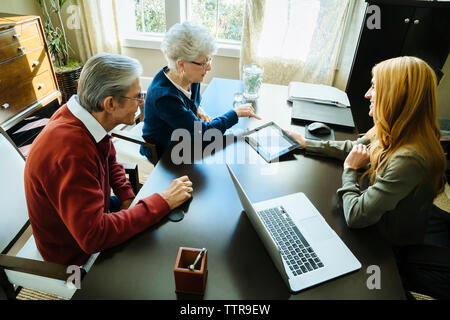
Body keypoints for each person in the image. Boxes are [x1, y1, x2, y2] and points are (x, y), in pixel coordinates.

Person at [287, 56, 450, 299]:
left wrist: (350, 170)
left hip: (388, 240)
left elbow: (356, 216)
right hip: (388, 216)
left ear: (396, 95)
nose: (367, 94)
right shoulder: (393, 126)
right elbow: (356, 147)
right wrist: (306, 144)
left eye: (374, 87)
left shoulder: (409, 158)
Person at [24, 53, 193, 266]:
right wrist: (164, 201)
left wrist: (126, 197)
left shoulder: (82, 115)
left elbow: (109, 156)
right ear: (110, 104)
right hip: (72, 253)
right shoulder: (70, 151)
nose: (142, 102)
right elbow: (93, 237)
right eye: (136, 96)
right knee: (153, 253)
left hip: (88, 214)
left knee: (156, 213)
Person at [140, 21, 261, 163]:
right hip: (165, 152)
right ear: (181, 64)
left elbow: (189, 105)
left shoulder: (191, 77)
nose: (208, 68)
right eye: (203, 63)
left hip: (184, 137)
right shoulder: (164, 97)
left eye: (209, 60)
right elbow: (203, 134)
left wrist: (196, 108)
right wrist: (235, 113)